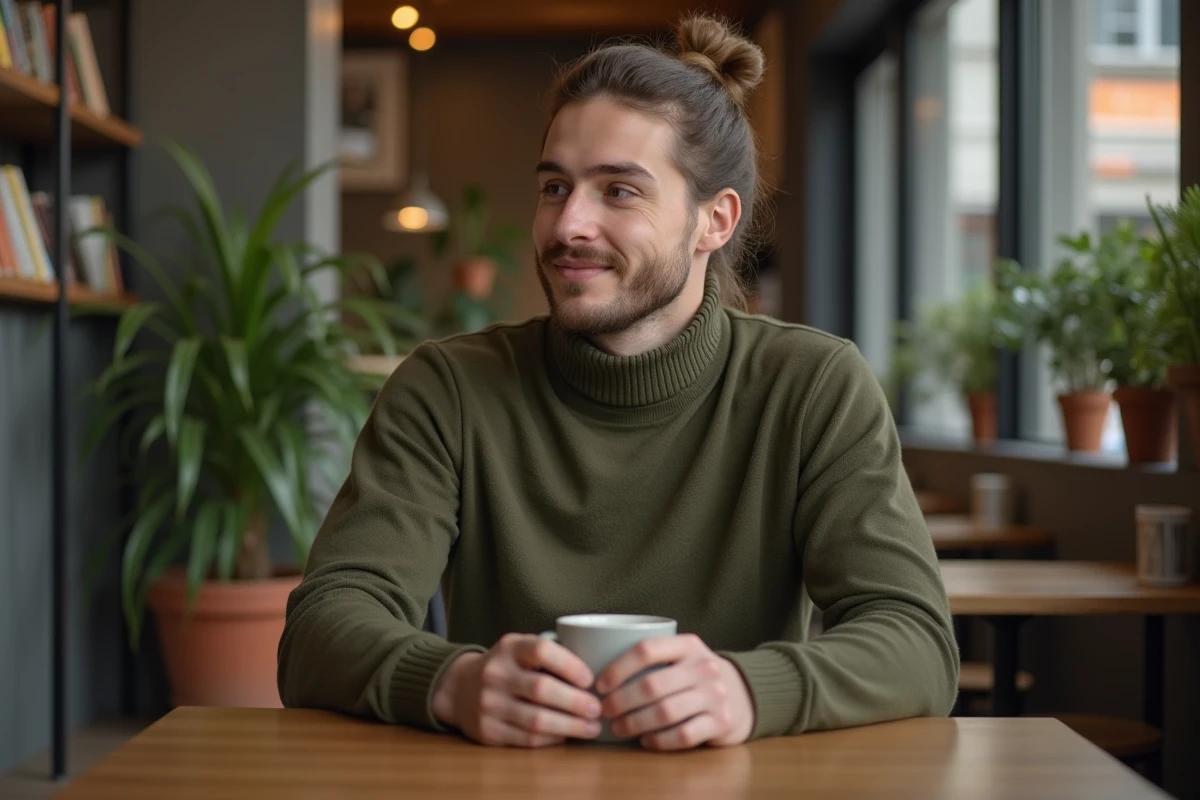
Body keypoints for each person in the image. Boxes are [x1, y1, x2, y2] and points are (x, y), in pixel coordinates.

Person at [278, 14, 959, 752]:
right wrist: (451, 682)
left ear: (714, 221)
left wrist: (747, 692)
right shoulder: (447, 389)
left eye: (619, 191)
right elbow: (322, 628)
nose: (568, 223)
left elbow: (918, 642)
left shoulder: (812, 385)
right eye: (554, 187)